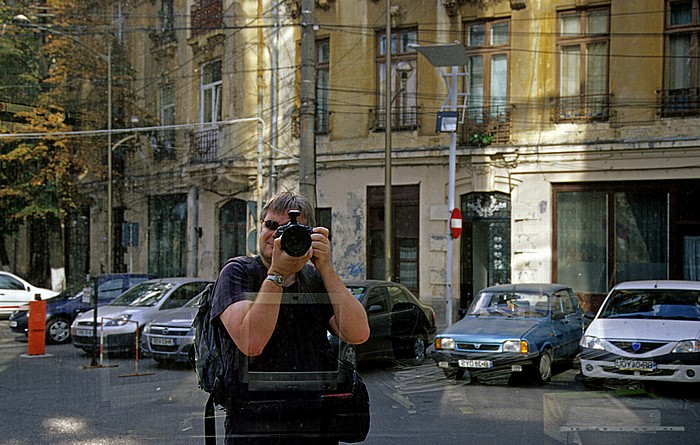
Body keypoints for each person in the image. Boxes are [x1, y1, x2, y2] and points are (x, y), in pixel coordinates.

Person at [211, 191, 370, 444]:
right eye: (271, 226)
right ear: (260, 226)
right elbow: (251, 342)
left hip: (314, 422)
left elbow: (358, 333)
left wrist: (326, 267)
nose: (276, 236)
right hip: (256, 425)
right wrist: (276, 275)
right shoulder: (238, 272)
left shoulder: (314, 278)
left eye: (289, 230)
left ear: (309, 235)